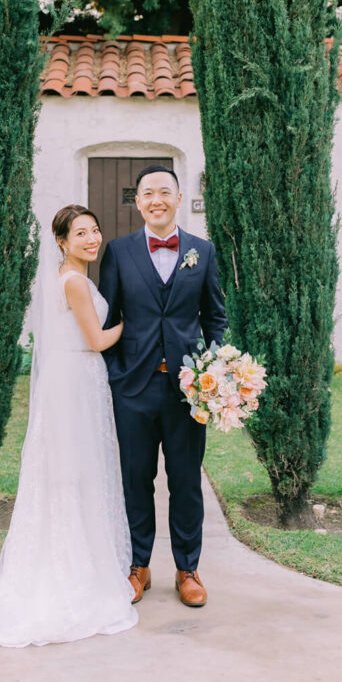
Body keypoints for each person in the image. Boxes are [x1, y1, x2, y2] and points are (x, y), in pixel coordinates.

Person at [0, 205, 138, 647]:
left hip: (63, 380)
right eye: (80, 233)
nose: (92, 239)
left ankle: (67, 555)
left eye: (94, 230)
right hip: (79, 378)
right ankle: (76, 569)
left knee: (64, 472)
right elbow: (97, 340)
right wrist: (133, 322)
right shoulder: (76, 283)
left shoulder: (61, 280)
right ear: (62, 243)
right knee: (81, 471)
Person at [99, 165, 227, 608]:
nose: (156, 199)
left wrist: (214, 373)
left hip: (188, 393)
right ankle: (138, 565)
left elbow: (215, 317)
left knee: (186, 480)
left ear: (178, 197)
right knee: (136, 479)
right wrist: (117, 375)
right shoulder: (117, 252)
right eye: (147, 193)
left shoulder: (202, 252)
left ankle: (187, 569)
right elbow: (108, 317)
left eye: (164, 192)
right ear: (137, 202)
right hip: (133, 389)